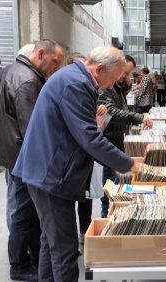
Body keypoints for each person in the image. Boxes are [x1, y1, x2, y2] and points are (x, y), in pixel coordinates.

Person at [12, 46, 140, 282]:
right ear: (99, 68)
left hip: (48, 171)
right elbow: (89, 137)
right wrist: (128, 163)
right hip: (51, 174)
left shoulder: (75, 78)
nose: (112, 86)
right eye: (112, 79)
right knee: (64, 249)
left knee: (51, 242)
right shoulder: (76, 84)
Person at [0, 39, 64, 281]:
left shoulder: (10, 71)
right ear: (41, 53)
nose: (56, 68)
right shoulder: (28, 81)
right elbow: (34, 129)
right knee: (24, 214)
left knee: (24, 212)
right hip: (23, 159)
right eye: (55, 62)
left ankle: (30, 259)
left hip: (11, 154)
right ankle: (20, 266)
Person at [97, 54, 153, 217]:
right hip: (107, 138)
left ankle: (109, 213)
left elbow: (117, 104)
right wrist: (139, 117)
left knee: (114, 181)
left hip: (115, 137)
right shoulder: (106, 86)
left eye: (129, 74)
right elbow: (111, 112)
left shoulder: (117, 86)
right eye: (125, 73)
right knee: (110, 183)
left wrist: (128, 86)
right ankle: (106, 216)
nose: (126, 77)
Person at [66, 51, 96, 244]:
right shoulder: (74, 87)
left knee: (87, 197)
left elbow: (92, 127)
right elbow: (87, 133)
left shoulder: (86, 87)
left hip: (85, 156)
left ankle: (85, 230)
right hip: (70, 160)